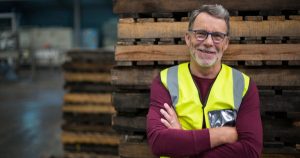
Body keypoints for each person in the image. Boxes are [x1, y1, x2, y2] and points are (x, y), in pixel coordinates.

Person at [146, 4, 263, 158]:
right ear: (188, 38)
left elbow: (250, 150)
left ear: (226, 43)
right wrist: (222, 135)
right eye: (201, 34)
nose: (208, 42)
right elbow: (158, 142)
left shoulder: (243, 85)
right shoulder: (165, 81)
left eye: (217, 36)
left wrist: (182, 142)